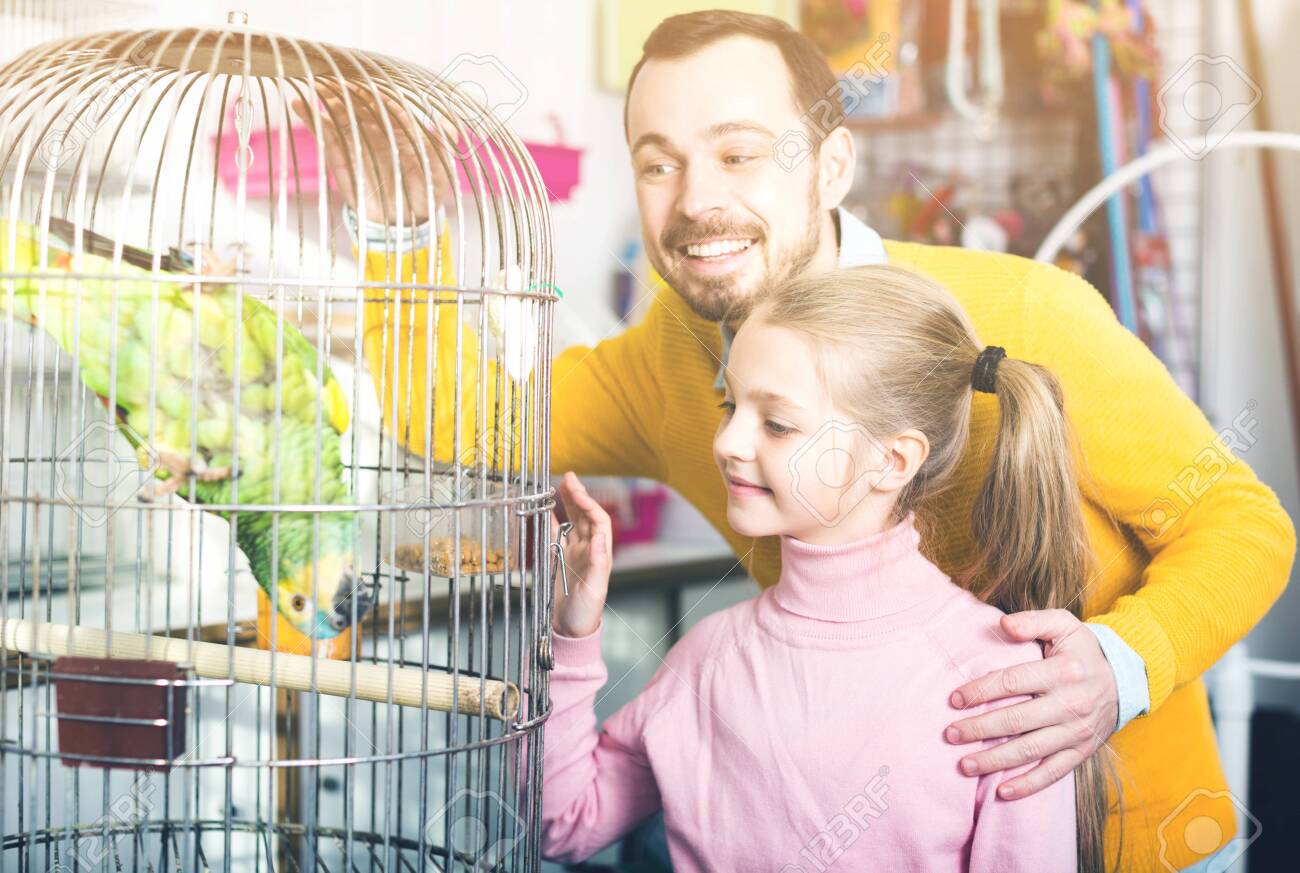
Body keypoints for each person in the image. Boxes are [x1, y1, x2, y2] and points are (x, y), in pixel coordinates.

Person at [311, 11, 1295, 869]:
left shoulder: (1027, 314)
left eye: (739, 154)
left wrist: (1119, 668)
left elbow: (1240, 520)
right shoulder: (671, 352)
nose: (695, 199)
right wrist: (403, 227)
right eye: (658, 162)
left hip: (1131, 843)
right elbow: (458, 417)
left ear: (831, 166)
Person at [540, 264, 1102, 871]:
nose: (728, 441)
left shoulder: (1005, 686)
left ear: (891, 461)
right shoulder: (706, 657)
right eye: (730, 405)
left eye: (777, 424)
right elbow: (563, 828)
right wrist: (573, 634)